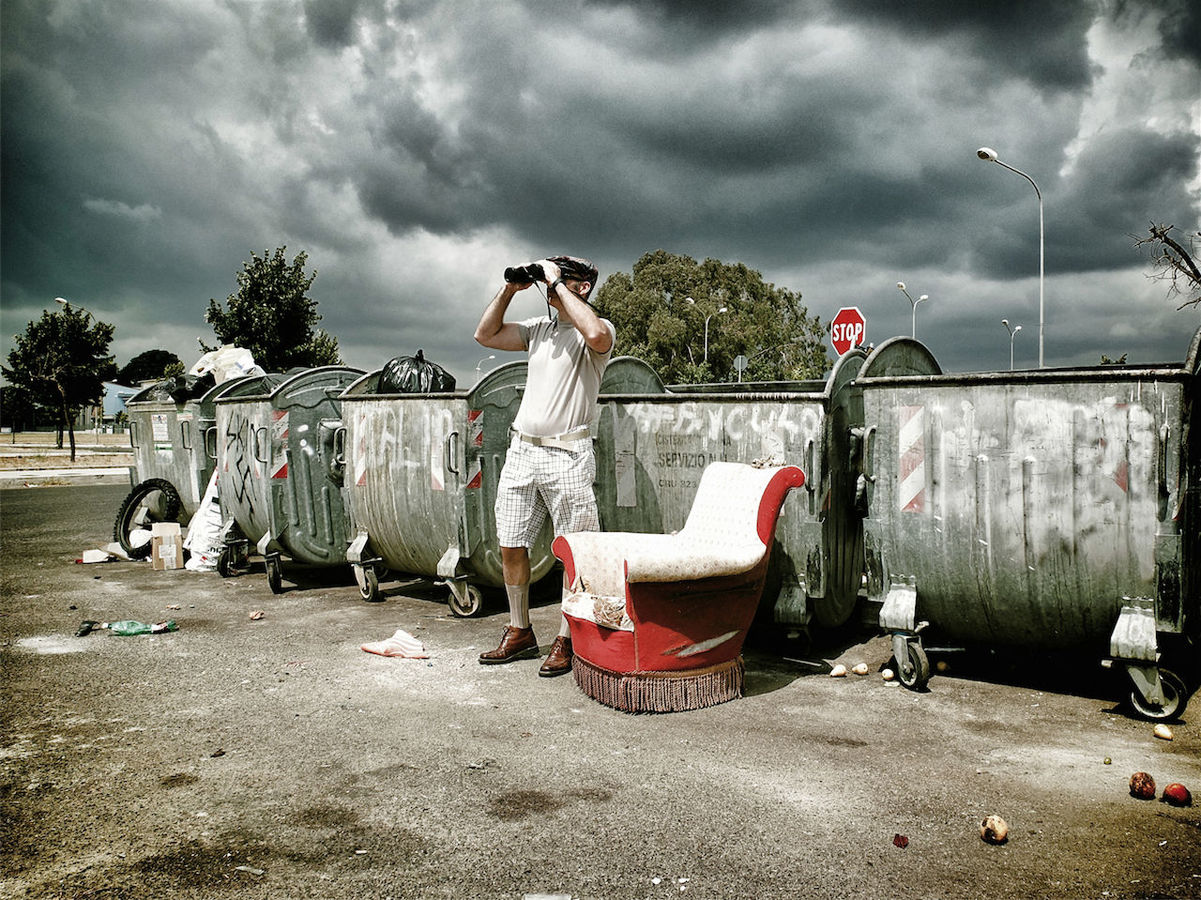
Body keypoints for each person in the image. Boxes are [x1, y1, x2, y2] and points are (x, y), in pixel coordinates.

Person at [473, 255, 615, 676]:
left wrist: (556, 285)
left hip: (568, 454)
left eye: (563, 280)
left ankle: (569, 638)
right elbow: (485, 334)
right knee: (511, 541)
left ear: (582, 287)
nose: (548, 289)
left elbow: (593, 333)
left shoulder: (600, 329)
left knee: (573, 552)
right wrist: (511, 288)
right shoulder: (539, 330)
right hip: (523, 451)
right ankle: (519, 631)